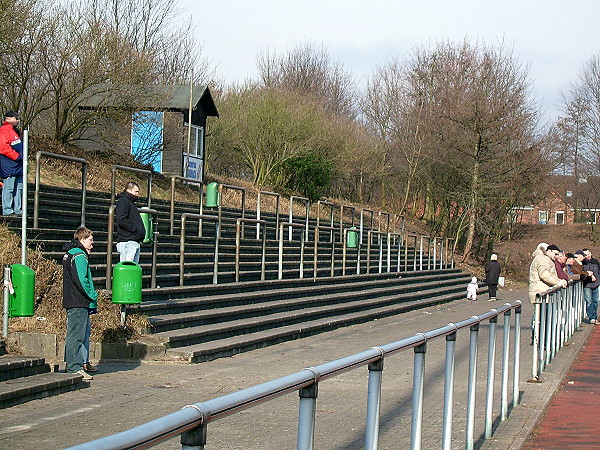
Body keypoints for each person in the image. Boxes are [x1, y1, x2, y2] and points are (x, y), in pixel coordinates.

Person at [62, 226, 98, 380]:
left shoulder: (70, 254)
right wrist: (93, 294)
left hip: (73, 299)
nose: (92, 243)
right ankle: (74, 367)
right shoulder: (79, 256)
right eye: (90, 240)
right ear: (82, 239)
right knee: (76, 334)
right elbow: (82, 280)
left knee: (77, 333)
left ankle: (75, 364)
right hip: (78, 301)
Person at [529, 244, 567, 343]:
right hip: (542, 293)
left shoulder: (543, 259)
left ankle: (540, 340)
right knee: (543, 319)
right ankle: (543, 341)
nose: (556, 256)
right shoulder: (543, 259)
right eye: (555, 254)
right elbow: (544, 274)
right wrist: (558, 282)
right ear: (548, 251)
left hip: (541, 292)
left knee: (540, 318)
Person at [0, 111, 23, 216]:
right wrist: (17, 156)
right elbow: (3, 147)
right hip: (9, 164)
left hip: (17, 165)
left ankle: (17, 209)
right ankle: (7, 210)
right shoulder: (4, 130)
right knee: (9, 187)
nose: (17, 120)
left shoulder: (15, 131)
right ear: (8, 119)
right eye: (15, 118)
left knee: (18, 188)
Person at [115, 181, 145, 263]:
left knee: (131, 268)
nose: (137, 194)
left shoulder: (130, 203)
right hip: (128, 241)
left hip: (132, 240)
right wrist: (135, 229)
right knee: (128, 268)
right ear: (129, 190)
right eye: (136, 191)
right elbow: (121, 219)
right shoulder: (123, 201)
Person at [582, 248, 600, 324]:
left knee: (596, 300)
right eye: (585, 255)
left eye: (589, 254)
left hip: (596, 284)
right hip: (587, 285)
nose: (588, 256)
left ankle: (595, 315)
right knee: (589, 301)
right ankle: (592, 317)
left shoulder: (596, 262)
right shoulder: (582, 263)